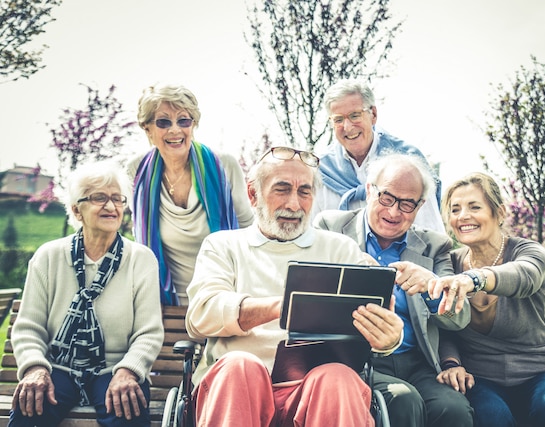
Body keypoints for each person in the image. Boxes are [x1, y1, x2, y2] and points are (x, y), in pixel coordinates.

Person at [185, 146, 404, 426]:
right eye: (282, 189)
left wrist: (388, 337)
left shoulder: (339, 249)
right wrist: (285, 305)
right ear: (253, 195)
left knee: (336, 377)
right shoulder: (223, 245)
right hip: (236, 389)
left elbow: (380, 311)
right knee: (240, 365)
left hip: (315, 392)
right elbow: (201, 315)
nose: (294, 204)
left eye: (304, 191)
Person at [313, 153, 473, 427]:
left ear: (420, 205)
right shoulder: (331, 228)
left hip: (416, 361)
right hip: (354, 359)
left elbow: (460, 318)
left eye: (407, 203)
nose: (394, 212)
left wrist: (430, 285)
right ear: (368, 190)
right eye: (386, 198)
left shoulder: (436, 246)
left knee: (454, 409)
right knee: (402, 399)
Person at [9, 162, 164, 427]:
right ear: (76, 210)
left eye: (117, 198)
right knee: (30, 410)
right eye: (98, 198)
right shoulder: (49, 256)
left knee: (127, 412)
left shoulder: (141, 259)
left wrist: (128, 371)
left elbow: (148, 332)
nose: (111, 206)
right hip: (58, 368)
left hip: (115, 368)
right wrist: (35, 368)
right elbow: (28, 328)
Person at [428, 172, 545, 427]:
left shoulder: (527, 251)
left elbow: (524, 276)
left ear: (499, 213)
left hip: (540, 371)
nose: (463, 216)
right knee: (492, 417)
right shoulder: (449, 263)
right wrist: (452, 363)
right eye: (455, 209)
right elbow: (445, 324)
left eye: (474, 207)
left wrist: (475, 279)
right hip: (480, 377)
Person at [128, 83, 254, 305]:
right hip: (165, 304)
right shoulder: (136, 170)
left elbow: (248, 230)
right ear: (147, 128)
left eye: (183, 120)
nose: (175, 130)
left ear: (193, 124)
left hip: (224, 300)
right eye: (164, 122)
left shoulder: (224, 164)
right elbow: (138, 238)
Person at [313, 78, 445, 233]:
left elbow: (430, 231)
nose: (347, 127)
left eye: (355, 115)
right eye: (338, 119)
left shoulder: (410, 163)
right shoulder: (321, 169)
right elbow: (311, 233)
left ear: (373, 114)